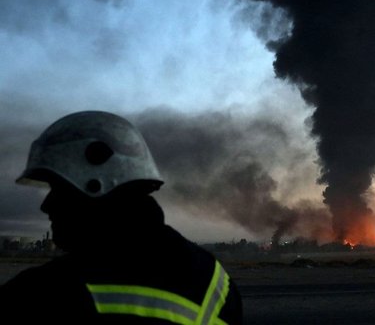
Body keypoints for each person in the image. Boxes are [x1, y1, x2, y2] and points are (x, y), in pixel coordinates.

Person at [0, 110, 242, 324]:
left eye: (59, 189)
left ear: (98, 184)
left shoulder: (43, 294)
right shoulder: (215, 280)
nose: (46, 205)